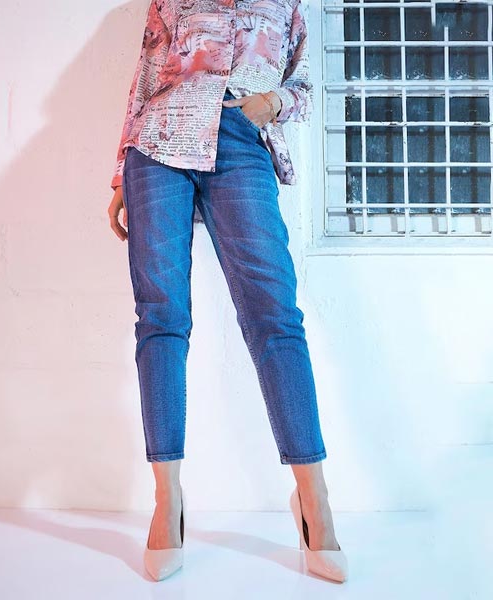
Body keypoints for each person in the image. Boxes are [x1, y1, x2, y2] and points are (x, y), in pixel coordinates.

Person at [107, 0, 348, 583]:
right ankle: (168, 497)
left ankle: (313, 496)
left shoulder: (286, 4)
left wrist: (273, 103)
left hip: (242, 140)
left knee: (275, 316)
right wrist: (119, 175)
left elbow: (304, 83)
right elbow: (145, 82)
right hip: (158, 145)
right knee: (161, 315)